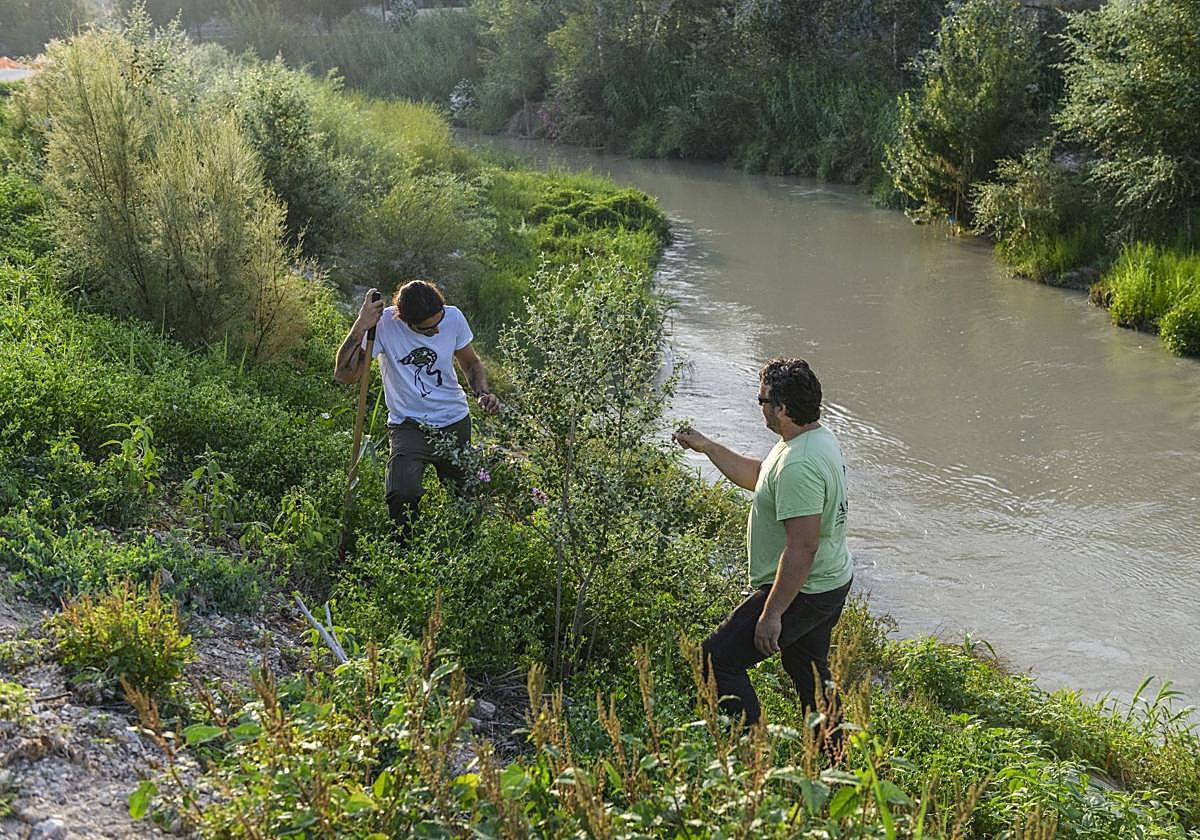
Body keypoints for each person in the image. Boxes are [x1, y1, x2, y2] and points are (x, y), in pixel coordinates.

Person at [672, 357, 853, 733]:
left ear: (782, 408)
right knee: (808, 672)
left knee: (715, 661)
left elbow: (802, 548)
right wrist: (707, 446)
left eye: (762, 401)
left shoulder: (800, 463)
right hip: (829, 581)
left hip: (805, 589)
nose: (760, 408)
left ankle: (753, 753)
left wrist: (772, 615)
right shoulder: (812, 439)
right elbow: (761, 477)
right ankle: (834, 758)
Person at [334, 280, 501, 533]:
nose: (436, 331)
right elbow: (344, 375)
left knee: (464, 498)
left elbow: (471, 363)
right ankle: (404, 547)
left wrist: (482, 393)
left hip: (454, 421)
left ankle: (464, 547)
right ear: (404, 320)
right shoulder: (383, 324)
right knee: (401, 494)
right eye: (427, 329)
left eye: (438, 322)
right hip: (409, 425)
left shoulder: (453, 318)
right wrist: (360, 325)